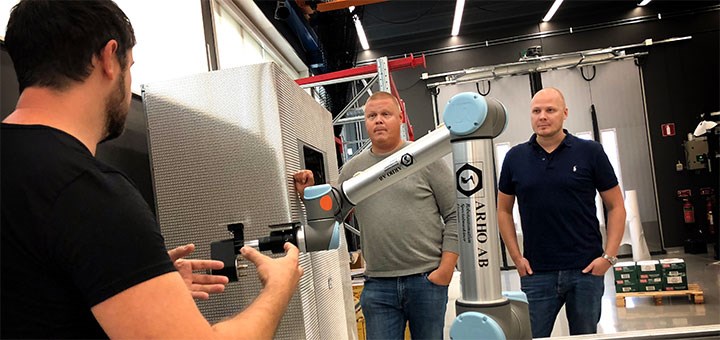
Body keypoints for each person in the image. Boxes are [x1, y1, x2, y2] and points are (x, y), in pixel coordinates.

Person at [0, 1, 302, 338]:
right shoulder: (88, 193)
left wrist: (137, 285)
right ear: (107, 58)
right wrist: (279, 287)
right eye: (130, 66)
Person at [294, 91, 458, 340]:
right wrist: (309, 194)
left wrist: (445, 269)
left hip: (426, 281)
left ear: (400, 118)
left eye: (385, 114)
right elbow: (331, 218)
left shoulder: (426, 158)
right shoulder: (353, 169)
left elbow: (455, 214)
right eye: (372, 116)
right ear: (365, 122)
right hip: (379, 286)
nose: (378, 120)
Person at [497, 87, 626, 337]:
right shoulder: (515, 157)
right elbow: (503, 210)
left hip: (586, 270)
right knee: (533, 336)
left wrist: (608, 257)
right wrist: (516, 257)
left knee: (584, 336)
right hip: (536, 272)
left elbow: (616, 205)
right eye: (536, 111)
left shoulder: (590, 152)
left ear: (565, 113)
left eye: (550, 110)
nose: (542, 116)